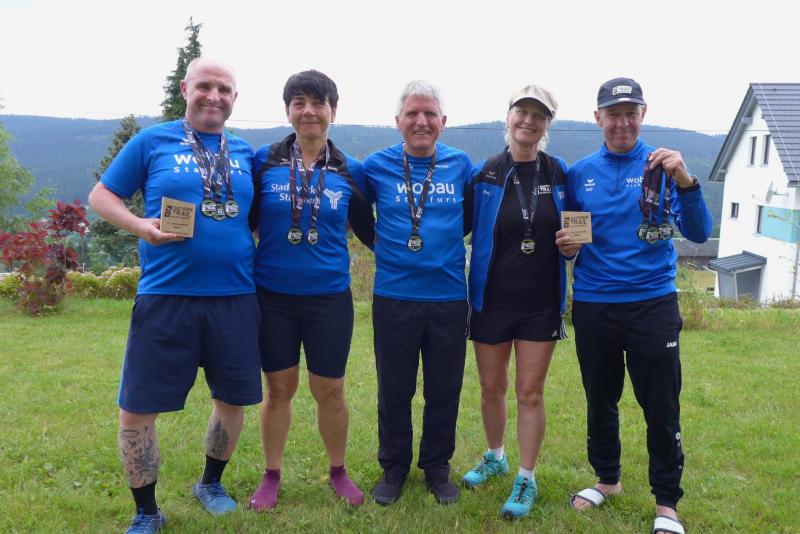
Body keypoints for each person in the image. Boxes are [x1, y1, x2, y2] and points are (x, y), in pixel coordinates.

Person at [88, 58, 262, 534]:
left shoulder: (244, 151)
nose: (214, 96)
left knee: (232, 399)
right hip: (166, 296)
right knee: (137, 407)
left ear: (235, 98)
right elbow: (101, 195)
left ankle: (211, 484)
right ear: (186, 88)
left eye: (224, 89)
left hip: (236, 297)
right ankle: (146, 510)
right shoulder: (152, 141)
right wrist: (140, 226)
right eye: (205, 86)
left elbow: (253, 215)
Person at [557, 77, 711, 534]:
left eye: (630, 113)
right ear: (598, 118)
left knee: (660, 405)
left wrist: (687, 181)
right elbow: (572, 238)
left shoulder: (664, 167)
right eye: (613, 114)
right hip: (594, 304)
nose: (622, 122)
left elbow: (699, 232)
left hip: (652, 303)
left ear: (643, 114)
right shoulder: (579, 172)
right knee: (600, 399)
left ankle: (667, 503)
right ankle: (607, 480)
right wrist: (566, 247)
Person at [247, 70, 375, 511]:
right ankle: (271, 474)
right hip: (273, 297)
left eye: (318, 103)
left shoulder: (351, 170)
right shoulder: (263, 162)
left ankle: (338, 471)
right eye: (299, 102)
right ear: (287, 111)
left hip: (329, 299)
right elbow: (243, 223)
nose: (309, 111)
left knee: (330, 390)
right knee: (278, 388)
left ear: (332, 111)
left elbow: (371, 233)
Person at [363, 81, 473, 506]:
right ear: (398, 122)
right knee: (394, 388)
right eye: (412, 114)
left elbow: (467, 218)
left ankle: (437, 467)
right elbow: (358, 214)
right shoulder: (376, 166)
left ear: (443, 122)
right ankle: (394, 468)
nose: (421, 121)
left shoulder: (461, 165)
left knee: (444, 389)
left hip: (448, 296)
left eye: (429, 114)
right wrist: (383, 245)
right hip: (395, 295)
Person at [462, 85, 569, 518]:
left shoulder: (559, 173)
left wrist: (574, 246)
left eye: (538, 115)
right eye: (521, 112)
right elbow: (455, 226)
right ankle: (495, 456)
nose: (528, 120)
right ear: (508, 118)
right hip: (490, 300)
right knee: (492, 388)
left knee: (529, 392)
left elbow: (579, 227)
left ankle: (526, 476)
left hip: (540, 303)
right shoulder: (485, 174)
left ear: (546, 126)